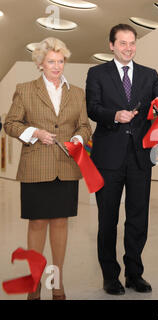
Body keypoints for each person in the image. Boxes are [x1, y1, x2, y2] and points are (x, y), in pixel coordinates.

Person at [4, 37, 92, 300]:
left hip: (66, 167)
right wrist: (34, 132)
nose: (57, 66)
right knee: (37, 224)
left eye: (61, 61)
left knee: (61, 224)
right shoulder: (25, 89)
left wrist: (78, 138)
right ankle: (33, 283)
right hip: (36, 167)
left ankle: (57, 283)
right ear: (40, 64)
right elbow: (11, 124)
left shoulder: (77, 92)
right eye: (51, 61)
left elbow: (85, 126)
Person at [86, 24, 158, 295]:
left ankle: (134, 273)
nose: (128, 48)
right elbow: (93, 108)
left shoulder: (149, 74)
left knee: (138, 218)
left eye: (132, 43)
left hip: (140, 157)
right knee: (108, 218)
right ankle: (110, 276)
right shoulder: (96, 73)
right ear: (111, 45)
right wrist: (114, 115)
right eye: (122, 43)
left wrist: (157, 109)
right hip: (108, 156)